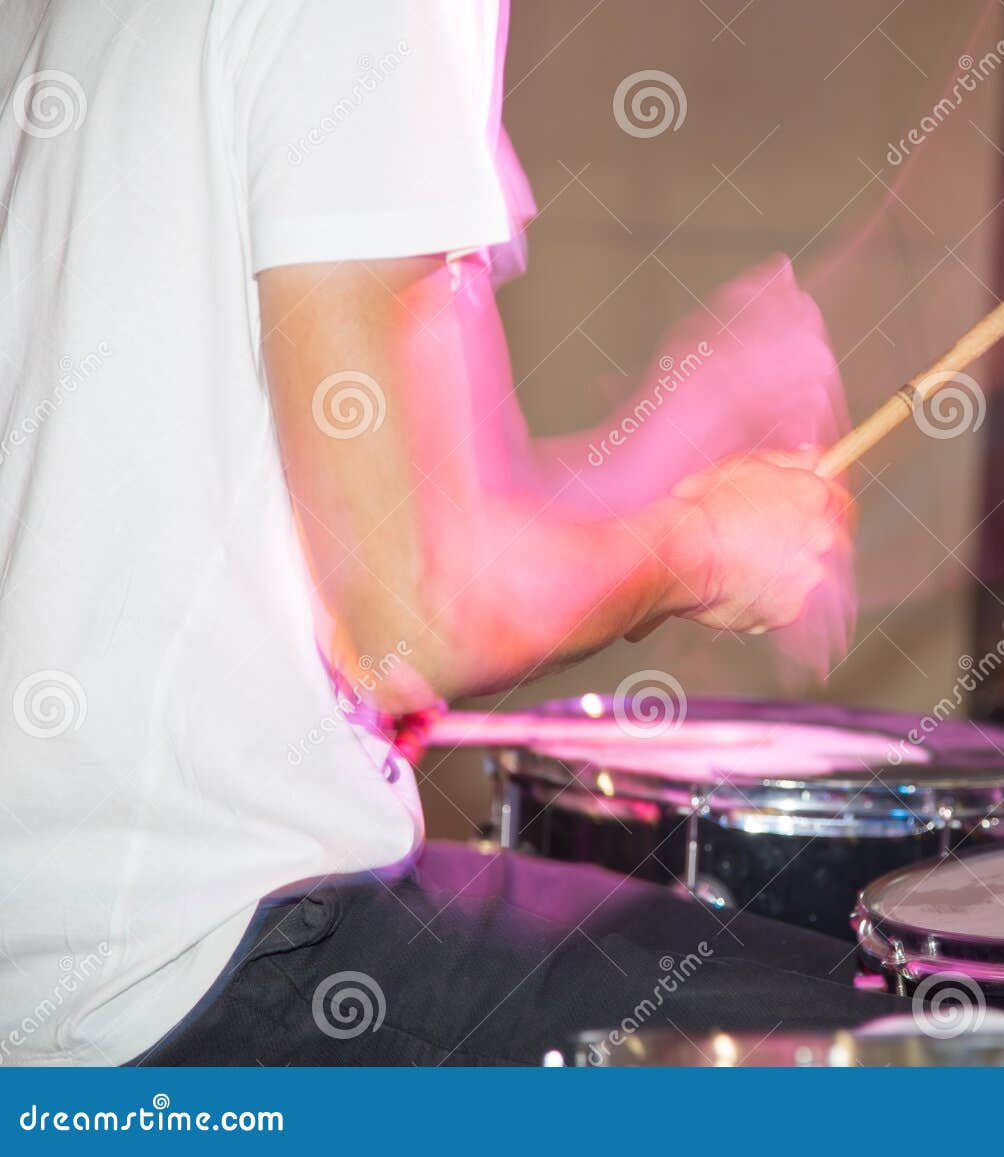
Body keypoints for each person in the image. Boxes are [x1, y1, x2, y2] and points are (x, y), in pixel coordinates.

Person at [0, 0, 891, 1066]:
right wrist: (703, 544)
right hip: (182, 971)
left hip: (58, 943)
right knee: (916, 1048)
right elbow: (419, 619)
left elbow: (357, 517)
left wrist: (684, 432)